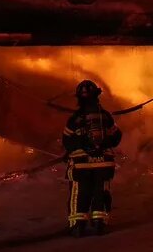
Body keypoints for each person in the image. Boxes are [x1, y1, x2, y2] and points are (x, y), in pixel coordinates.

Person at [62, 80, 123, 237]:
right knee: (100, 192)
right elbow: (116, 137)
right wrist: (101, 146)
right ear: (97, 95)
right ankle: (98, 223)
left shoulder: (74, 119)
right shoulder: (105, 116)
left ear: (78, 98)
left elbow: (66, 140)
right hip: (103, 164)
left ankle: (77, 225)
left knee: (79, 194)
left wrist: (79, 147)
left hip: (81, 165)